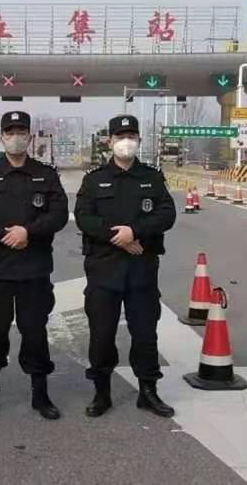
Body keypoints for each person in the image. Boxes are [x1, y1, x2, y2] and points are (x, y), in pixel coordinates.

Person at [0, 111, 69, 421]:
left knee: (34, 333)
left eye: (21, 131)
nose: (16, 137)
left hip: (34, 270)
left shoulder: (46, 175)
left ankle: (41, 394)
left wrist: (28, 232)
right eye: (10, 132)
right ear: (1, 137)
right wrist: (2, 235)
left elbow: (58, 214)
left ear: (30, 136)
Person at [74, 114, 177, 419]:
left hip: (141, 268)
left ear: (139, 141)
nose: (126, 142)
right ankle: (101, 392)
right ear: (110, 142)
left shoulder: (152, 177)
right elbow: (84, 217)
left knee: (145, 333)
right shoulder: (94, 179)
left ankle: (148, 391)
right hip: (104, 269)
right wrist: (118, 238)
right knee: (101, 334)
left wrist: (135, 231)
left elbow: (167, 214)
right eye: (120, 136)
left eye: (131, 136)